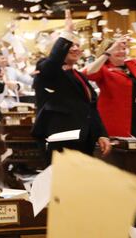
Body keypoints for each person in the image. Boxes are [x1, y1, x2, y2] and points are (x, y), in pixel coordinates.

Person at [32, 9, 111, 162]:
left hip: (83, 141)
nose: (75, 48)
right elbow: (53, 62)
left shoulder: (78, 74)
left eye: (77, 45)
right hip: (59, 140)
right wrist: (67, 33)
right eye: (70, 45)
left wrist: (101, 134)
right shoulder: (45, 68)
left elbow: (91, 108)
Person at [84, 36, 136, 138]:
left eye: (123, 49)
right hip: (120, 117)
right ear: (107, 52)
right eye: (117, 49)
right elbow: (88, 72)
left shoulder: (132, 63)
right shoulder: (103, 69)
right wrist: (108, 52)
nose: (122, 52)